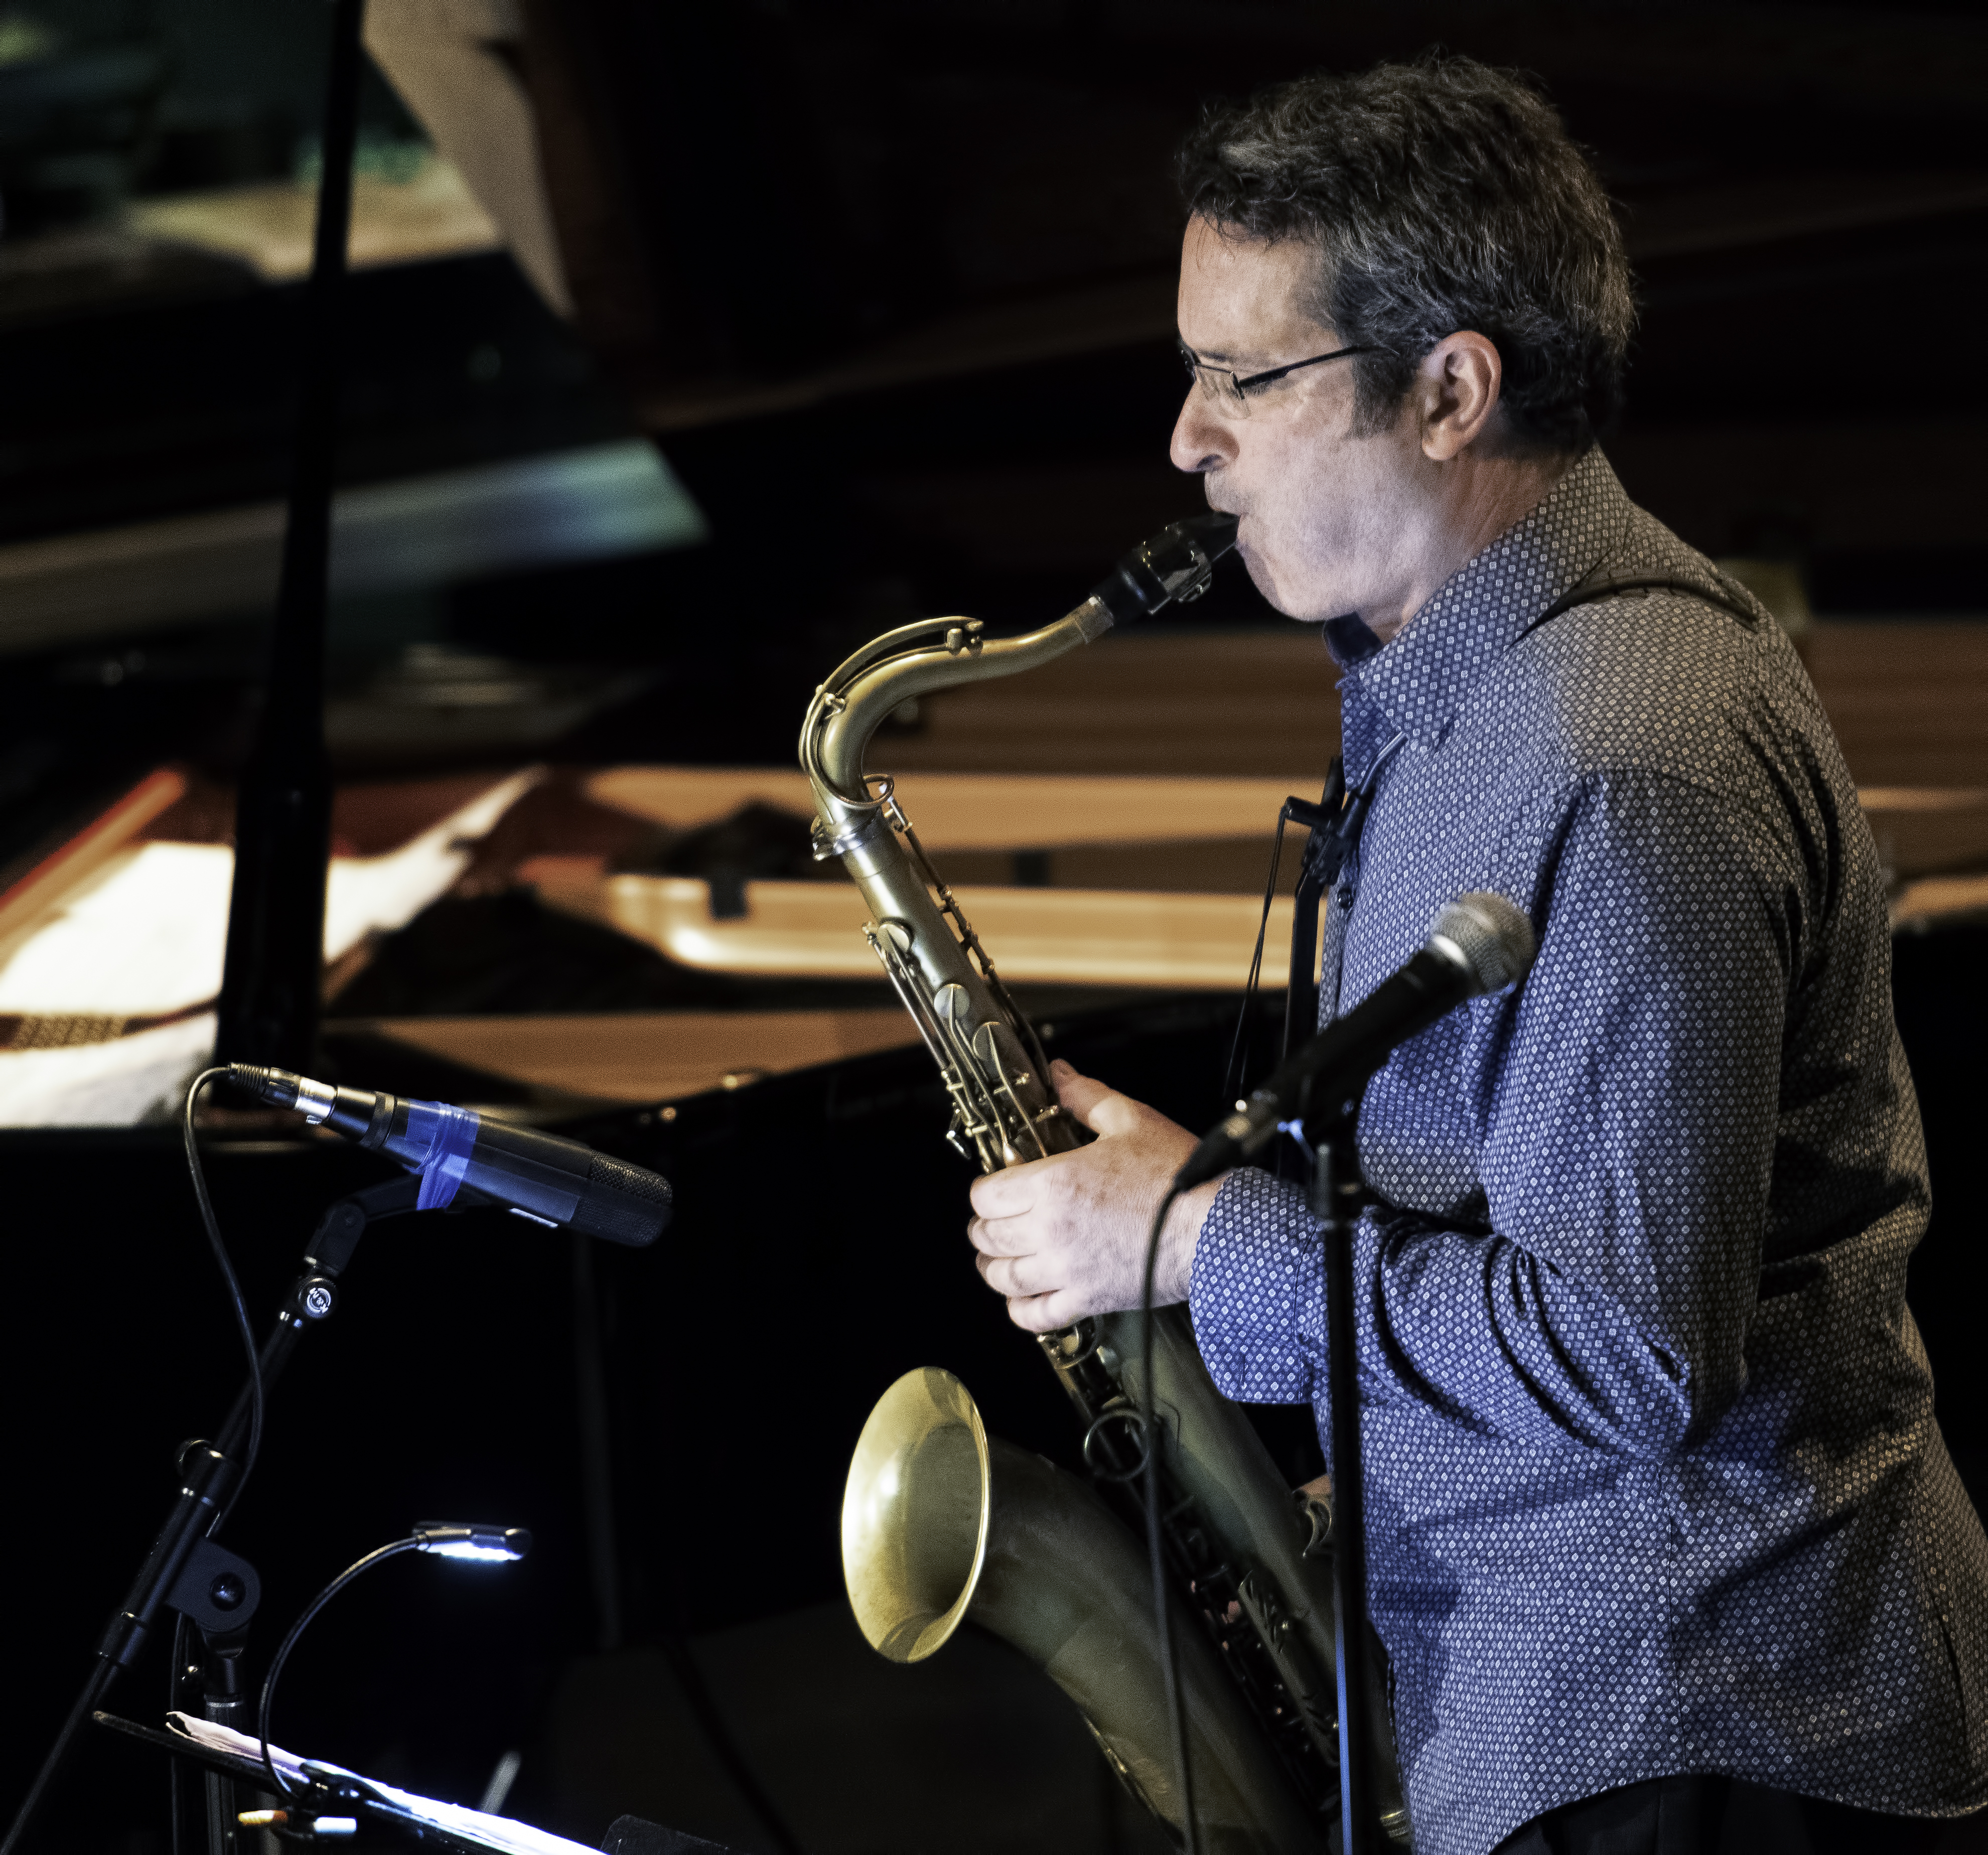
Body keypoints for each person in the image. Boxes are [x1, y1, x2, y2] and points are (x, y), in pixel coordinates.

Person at [963, 55, 1988, 1855]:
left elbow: (1623, 1350)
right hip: (1600, 1708)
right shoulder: (1462, 696)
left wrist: (1191, 1239)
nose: (1186, 439)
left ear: (1447, 390)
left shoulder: (1613, 756)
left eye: (1239, 375)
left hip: (1697, 1721)